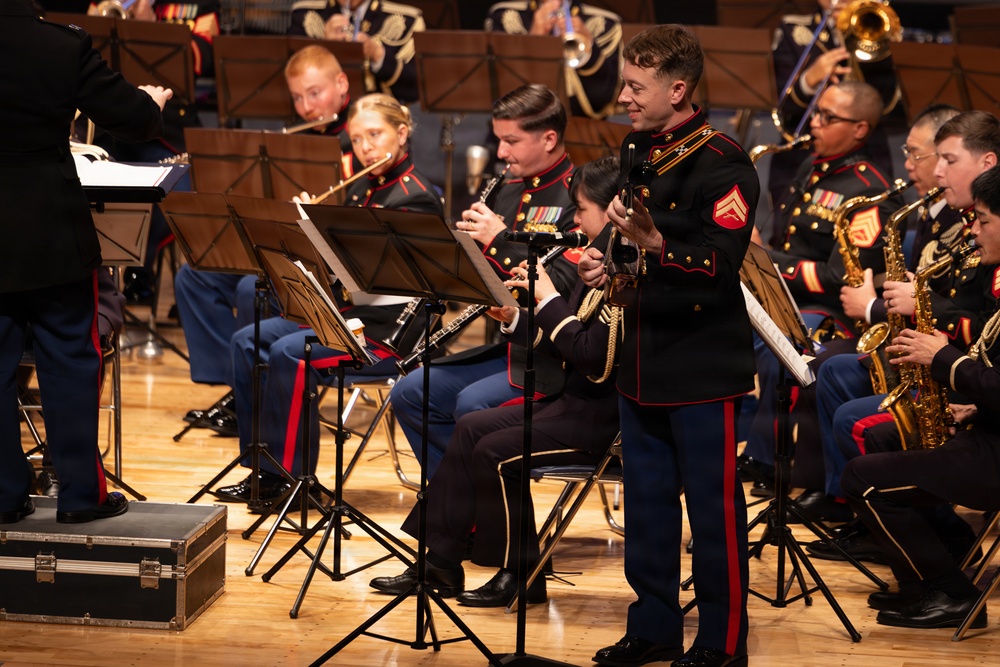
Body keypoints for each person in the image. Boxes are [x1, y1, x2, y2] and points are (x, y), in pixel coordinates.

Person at [576, 24, 758, 667]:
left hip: (704, 361)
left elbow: (721, 263)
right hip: (644, 357)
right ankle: (652, 626)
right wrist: (610, 264)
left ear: (677, 89)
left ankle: (721, 642)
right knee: (648, 508)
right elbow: (627, 235)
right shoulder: (636, 146)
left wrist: (655, 248)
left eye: (635, 85)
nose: (622, 95)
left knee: (712, 513)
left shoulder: (725, 162)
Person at [369, 156, 622, 607]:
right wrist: (515, 317)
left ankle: (520, 574)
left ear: (611, 208)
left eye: (581, 209)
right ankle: (440, 563)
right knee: (471, 427)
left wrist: (545, 299)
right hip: (575, 397)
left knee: (491, 446)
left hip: (603, 412)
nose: (575, 218)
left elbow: (593, 358)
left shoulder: (614, 263)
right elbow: (566, 335)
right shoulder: (598, 251)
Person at [214, 92, 443, 507]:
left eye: (375, 135)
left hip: (391, 333)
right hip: (352, 318)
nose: (366, 148)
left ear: (402, 133)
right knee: (246, 341)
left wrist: (317, 235)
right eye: (357, 140)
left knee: (290, 352)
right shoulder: (365, 193)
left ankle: (296, 483)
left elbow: (373, 277)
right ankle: (262, 471)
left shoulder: (415, 198)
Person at [0, 0, 170, 523]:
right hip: (52, 232)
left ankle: (4, 497)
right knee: (71, 364)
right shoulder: (62, 43)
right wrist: (150, 101)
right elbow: (136, 121)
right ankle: (80, 498)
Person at [805, 109, 1000, 563]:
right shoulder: (956, 220)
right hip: (963, 376)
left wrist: (892, 314)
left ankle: (931, 548)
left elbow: (978, 320)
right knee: (834, 371)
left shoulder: (984, 224)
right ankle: (870, 516)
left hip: (966, 376)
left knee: (857, 417)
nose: (932, 171)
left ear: (987, 163)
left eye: (945, 159)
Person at [388, 83, 579, 479]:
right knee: (410, 391)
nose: (501, 153)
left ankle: (484, 517)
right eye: (499, 140)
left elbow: (561, 285)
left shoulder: (578, 197)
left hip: (553, 360)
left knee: (472, 404)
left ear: (549, 138)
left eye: (511, 141)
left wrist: (500, 242)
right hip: (509, 350)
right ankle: (459, 511)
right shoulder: (506, 191)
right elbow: (480, 272)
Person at [840, 164, 1000, 630]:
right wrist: (973, 403)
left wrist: (944, 358)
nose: (973, 227)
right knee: (886, 442)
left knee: (861, 480)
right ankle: (925, 582)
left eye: (984, 219)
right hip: (987, 427)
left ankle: (954, 595)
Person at [173, 44, 355, 435]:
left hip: (318, 263)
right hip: (277, 242)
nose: (306, 107)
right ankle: (239, 387)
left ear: (341, 84)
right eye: (297, 97)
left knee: (247, 287)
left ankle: (251, 396)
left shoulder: (360, 136)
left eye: (315, 93)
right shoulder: (287, 142)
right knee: (194, 275)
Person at [740, 80, 901, 514]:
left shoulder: (869, 190)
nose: (815, 122)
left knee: (782, 347)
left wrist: (765, 257)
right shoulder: (814, 165)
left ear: (860, 129)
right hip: (788, 294)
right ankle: (755, 451)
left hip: (833, 309)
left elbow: (839, 277)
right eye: (817, 112)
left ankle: (768, 459)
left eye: (829, 117)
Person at [766, 0, 901, 215]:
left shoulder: (880, 25)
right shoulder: (794, 30)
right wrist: (810, 79)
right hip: (803, 158)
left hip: (869, 156)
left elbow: (893, 103)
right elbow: (780, 104)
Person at [485, 0, 623, 119]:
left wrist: (589, 46)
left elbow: (603, 101)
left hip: (582, 132)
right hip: (520, 129)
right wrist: (533, 39)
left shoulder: (605, 23)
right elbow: (500, 94)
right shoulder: (505, 16)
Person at [288, 0, 424, 104]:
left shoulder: (407, 20)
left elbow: (416, 90)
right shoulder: (305, 15)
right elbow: (287, 84)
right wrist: (324, 47)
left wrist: (377, 54)